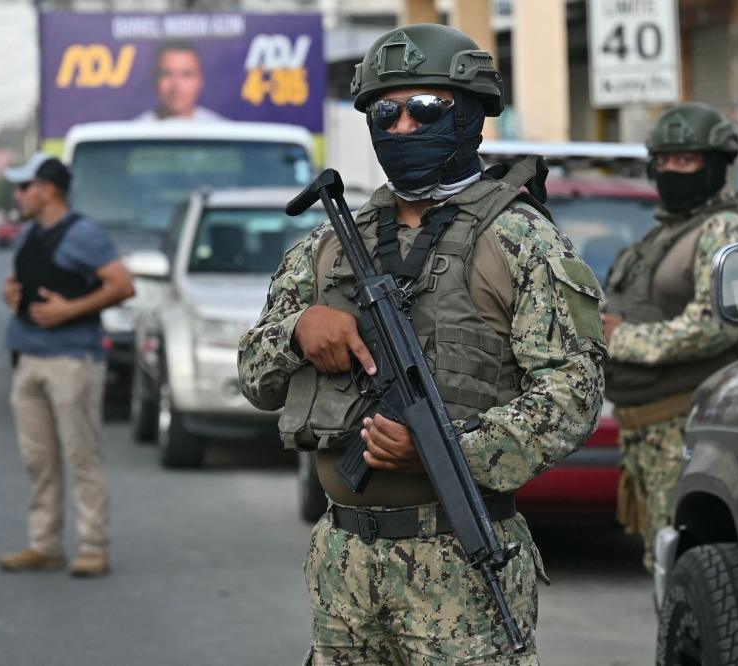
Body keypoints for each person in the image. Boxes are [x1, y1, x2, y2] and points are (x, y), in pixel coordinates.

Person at [238, 24, 607, 665]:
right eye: (386, 110)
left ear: (469, 116)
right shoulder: (327, 247)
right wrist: (298, 333)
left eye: (426, 109)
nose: (403, 126)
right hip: (344, 562)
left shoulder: (522, 241)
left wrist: (444, 451)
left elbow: (574, 395)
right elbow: (254, 375)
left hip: (460, 562)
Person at [600, 102, 738, 572]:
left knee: (688, 571)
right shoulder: (668, 233)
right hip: (647, 436)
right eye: (665, 161)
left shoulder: (728, 229)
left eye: (686, 161)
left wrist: (620, 339)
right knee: (665, 566)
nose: (672, 171)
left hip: (687, 429)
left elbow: (719, 323)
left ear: (715, 165)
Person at [0, 153, 135, 578]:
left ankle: (93, 546)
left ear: (47, 190)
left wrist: (69, 310)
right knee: (38, 458)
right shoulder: (28, 234)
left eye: (24, 187)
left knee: (81, 456)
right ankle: (46, 543)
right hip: (28, 357)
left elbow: (122, 284)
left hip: (73, 358)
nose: (18, 194)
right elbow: (14, 279)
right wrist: (11, 294)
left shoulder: (84, 234)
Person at [134, 40, 225, 121]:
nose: (176, 85)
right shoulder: (134, 134)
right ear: (155, 79)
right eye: (167, 74)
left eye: (186, 75)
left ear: (200, 80)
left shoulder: (221, 132)